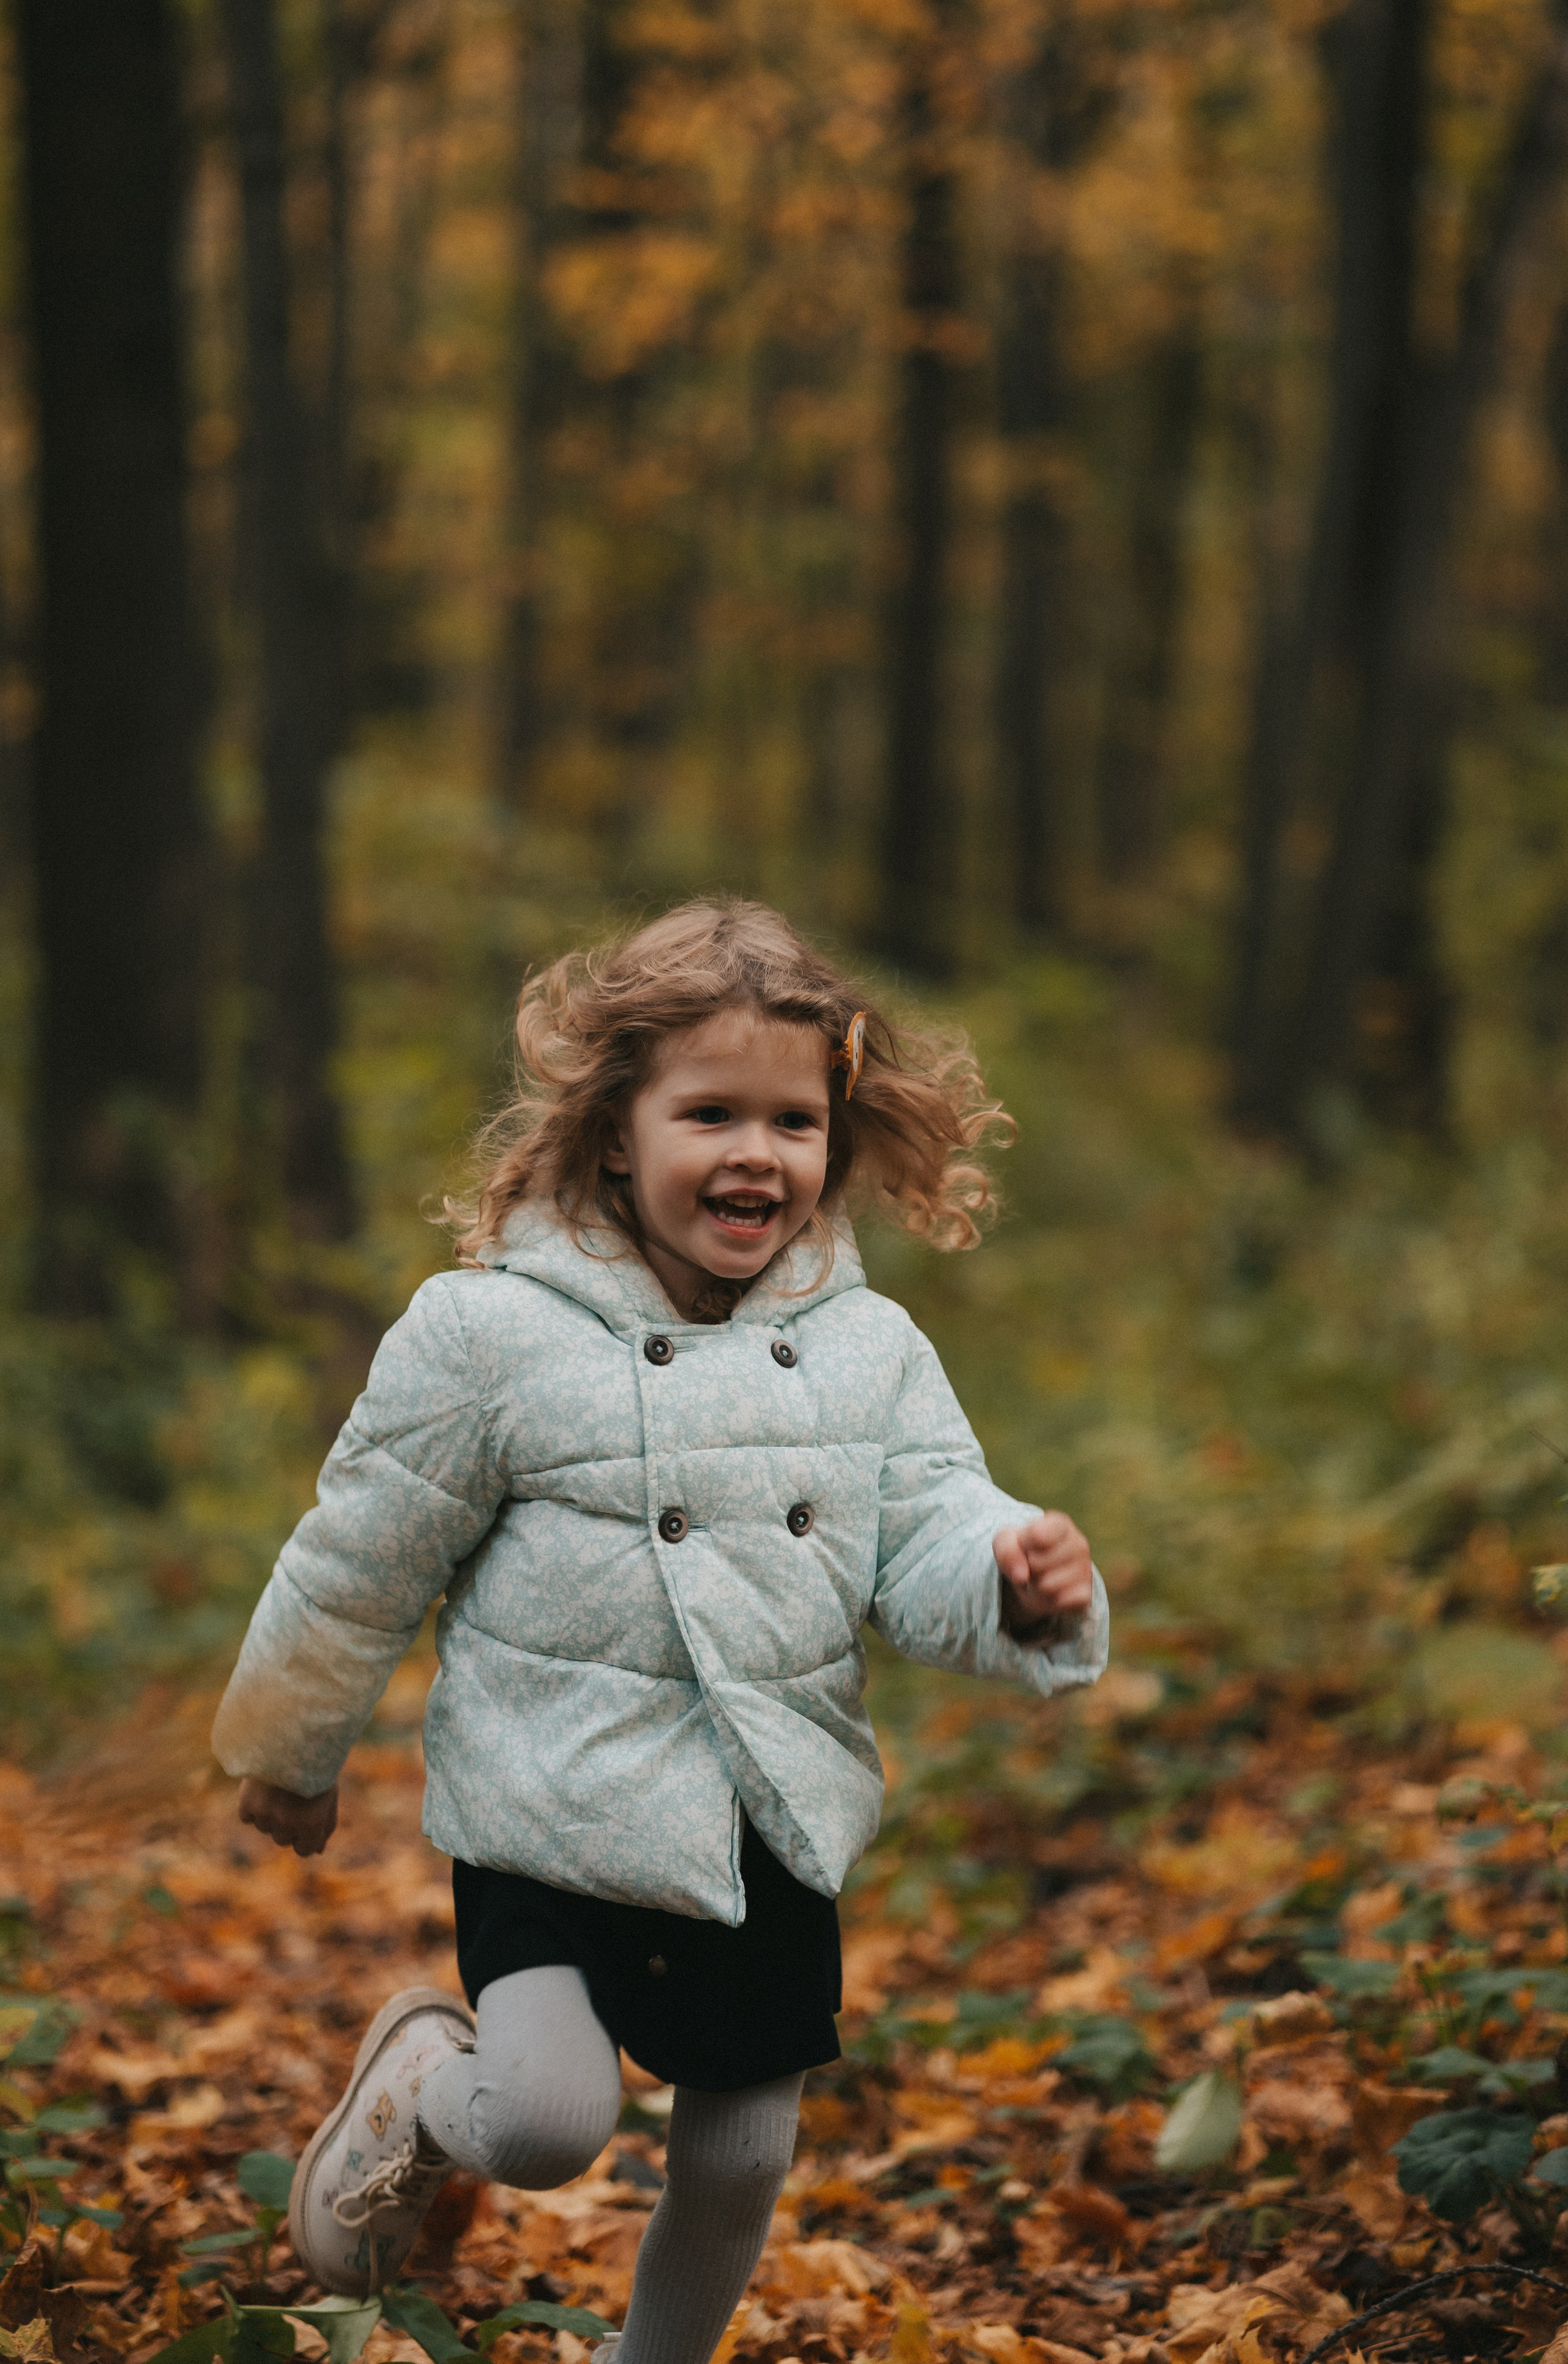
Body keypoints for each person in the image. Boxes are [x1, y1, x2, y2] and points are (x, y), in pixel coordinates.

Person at [213, 898, 1108, 2359]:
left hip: (765, 1813)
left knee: (743, 2156)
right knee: (545, 2123)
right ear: (617, 1131)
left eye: (794, 1121)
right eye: (710, 1114)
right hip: (553, 1806)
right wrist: (291, 1743)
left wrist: (1009, 1576)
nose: (758, 1153)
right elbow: (363, 1549)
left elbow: (931, 1523)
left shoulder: (868, 1349)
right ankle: (421, 2087)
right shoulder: (489, 1332)